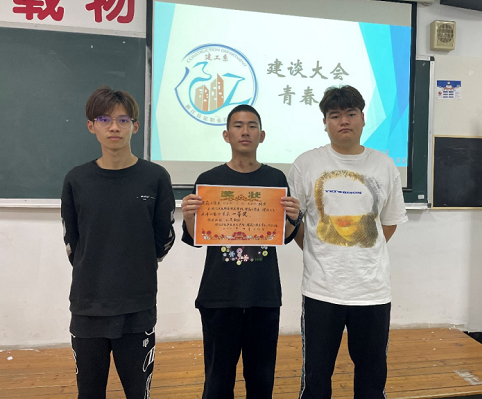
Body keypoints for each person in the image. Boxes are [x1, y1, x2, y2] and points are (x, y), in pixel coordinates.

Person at [288, 85, 408, 399]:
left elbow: (388, 223)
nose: (344, 121)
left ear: (363, 118)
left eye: (351, 114)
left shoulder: (384, 165)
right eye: (335, 115)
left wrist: (360, 246)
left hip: (372, 291)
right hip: (321, 289)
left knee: (371, 377)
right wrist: (320, 249)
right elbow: (295, 222)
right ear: (325, 122)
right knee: (316, 377)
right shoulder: (306, 164)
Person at [61, 87, 176, 398]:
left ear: (135, 126)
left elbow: (163, 238)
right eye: (105, 119)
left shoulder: (156, 177)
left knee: (138, 393)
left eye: (123, 120)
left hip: (137, 307)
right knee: (89, 392)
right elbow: (73, 242)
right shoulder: (76, 179)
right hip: (88, 305)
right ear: (91, 125)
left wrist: (136, 263)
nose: (114, 127)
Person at [180, 104, 301, 399]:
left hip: (263, 294)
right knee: (217, 380)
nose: (245, 131)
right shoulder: (208, 180)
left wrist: (294, 219)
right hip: (219, 294)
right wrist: (189, 216)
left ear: (262, 135)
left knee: (261, 379)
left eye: (251, 126)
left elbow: (284, 237)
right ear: (226, 135)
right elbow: (196, 238)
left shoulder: (275, 180)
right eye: (237, 125)